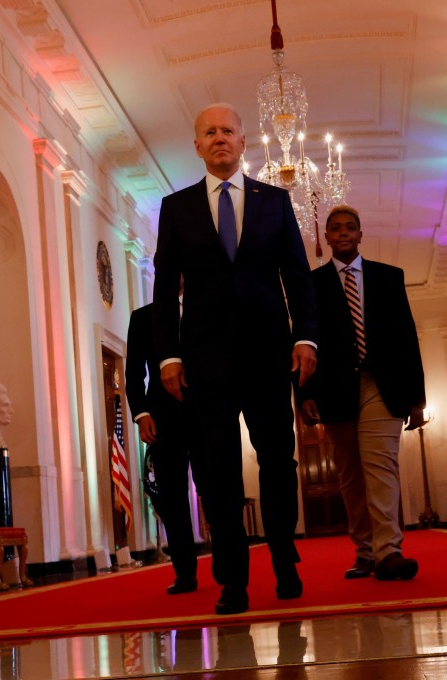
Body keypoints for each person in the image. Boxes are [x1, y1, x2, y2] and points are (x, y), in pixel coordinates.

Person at [152, 103, 318, 615]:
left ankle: (285, 562)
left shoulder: (275, 201)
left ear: (244, 142)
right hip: (206, 362)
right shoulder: (176, 208)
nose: (220, 138)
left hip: (269, 356)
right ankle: (234, 581)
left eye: (228, 130)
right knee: (219, 474)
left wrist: (306, 338)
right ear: (197, 146)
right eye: (210, 132)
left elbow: (297, 274)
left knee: (277, 463)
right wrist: (167, 357)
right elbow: (163, 290)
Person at [299, 205, 426, 581]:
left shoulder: (389, 278)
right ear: (326, 237)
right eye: (335, 228)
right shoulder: (313, 284)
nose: (342, 233)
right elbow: (303, 338)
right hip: (335, 389)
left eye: (349, 227)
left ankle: (390, 552)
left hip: (382, 385)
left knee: (381, 464)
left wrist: (417, 399)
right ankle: (366, 552)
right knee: (351, 474)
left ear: (360, 234)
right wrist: (303, 391)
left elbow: (407, 338)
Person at [126, 300, 199, 595]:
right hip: (162, 419)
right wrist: (141, 413)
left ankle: (228, 567)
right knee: (172, 497)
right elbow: (133, 372)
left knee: (215, 488)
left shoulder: (206, 303)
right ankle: (184, 573)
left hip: (206, 412)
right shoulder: (144, 317)